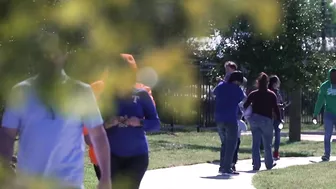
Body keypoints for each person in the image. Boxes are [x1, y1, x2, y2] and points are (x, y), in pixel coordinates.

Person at [0, 31, 111, 189]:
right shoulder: (21, 92)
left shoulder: (81, 91)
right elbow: (7, 135)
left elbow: (98, 135)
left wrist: (105, 177)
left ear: (64, 55)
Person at [83, 54, 157, 181]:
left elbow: (154, 123)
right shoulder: (98, 92)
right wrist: (107, 124)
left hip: (135, 156)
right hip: (106, 157)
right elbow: (88, 135)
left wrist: (139, 122)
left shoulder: (142, 93)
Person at [244, 72, 280, 171]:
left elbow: (245, 105)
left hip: (254, 119)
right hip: (266, 120)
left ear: (258, 83)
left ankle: (256, 164)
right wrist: (279, 118)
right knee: (267, 143)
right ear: (267, 83)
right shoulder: (271, 94)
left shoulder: (253, 93)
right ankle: (269, 164)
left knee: (255, 143)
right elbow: (275, 108)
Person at [213, 71, 245, 175]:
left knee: (224, 143)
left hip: (219, 118)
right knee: (231, 144)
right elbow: (242, 98)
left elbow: (214, 93)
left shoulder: (221, 86)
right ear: (238, 81)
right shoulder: (237, 89)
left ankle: (222, 166)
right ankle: (227, 168)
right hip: (230, 119)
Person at [313, 68, 336, 162]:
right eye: (332, 75)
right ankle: (327, 155)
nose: (334, 77)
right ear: (329, 76)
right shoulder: (325, 86)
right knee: (327, 135)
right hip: (329, 114)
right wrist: (315, 113)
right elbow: (320, 101)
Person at [268, 75, 290, 160]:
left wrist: (282, 105)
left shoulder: (277, 92)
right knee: (271, 135)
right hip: (271, 116)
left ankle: (275, 152)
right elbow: (273, 104)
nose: (279, 84)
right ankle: (271, 152)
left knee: (277, 135)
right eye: (278, 82)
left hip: (278, 117)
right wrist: (281, 105)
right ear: (274, 83)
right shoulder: (271, 92)